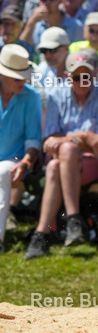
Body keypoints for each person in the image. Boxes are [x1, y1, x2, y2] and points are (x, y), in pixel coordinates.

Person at [24, 48, 98, 259]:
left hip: (95, 162)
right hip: (67, 161)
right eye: (76, 77)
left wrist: (67, 139)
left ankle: (44, 234)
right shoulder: (56, 94)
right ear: (67, 76)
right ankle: (70, 221)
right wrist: (85, 136)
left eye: (87, 76)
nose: (81, 81)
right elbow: (49, 140)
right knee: (59, 162)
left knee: (63, 155)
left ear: (96, 73)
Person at [0, 44, 43, 252]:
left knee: (1, 173)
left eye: (25, 76)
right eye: (17, 77)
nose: (23, 81)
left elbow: (33, 139)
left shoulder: (31, 96)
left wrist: (25, 163)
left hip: (15, 161)